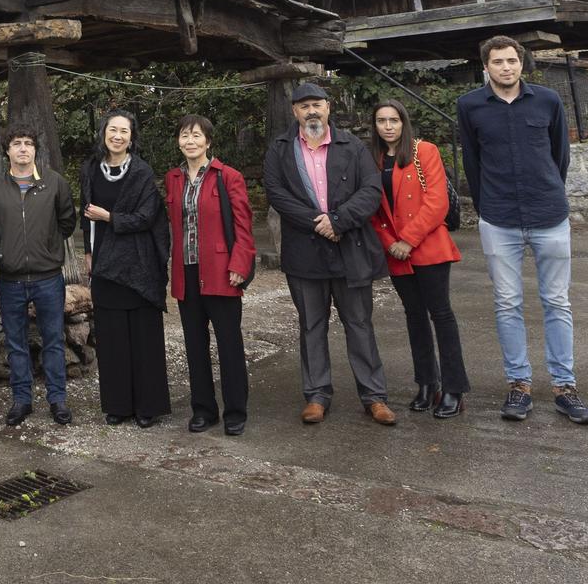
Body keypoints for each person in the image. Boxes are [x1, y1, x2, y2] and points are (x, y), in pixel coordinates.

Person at [456, 35, 588, 425]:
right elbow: (472, 160)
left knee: (557, 301)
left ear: (522, 63)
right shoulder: (469, 106)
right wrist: (487, 209)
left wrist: (548, 192)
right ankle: (518, 385)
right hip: (498, 219)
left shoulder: (548, 101)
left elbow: (559, 157)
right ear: (486, 66)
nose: (506, 67)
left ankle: (565, 388)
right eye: (498, 62)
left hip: (549, 215)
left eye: (512, 61)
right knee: (507, 303)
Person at [264, 82, 398, 427]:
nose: (311, 111)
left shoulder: (352, 146)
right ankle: (317, 395)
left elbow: (371, 190)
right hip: (305, 250)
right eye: (304, 105)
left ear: (328, 108)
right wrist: (317, 223)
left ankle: (374, 396)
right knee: (311, 325)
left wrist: (338, 221)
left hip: (348, 245)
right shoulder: (280, 149)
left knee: (359, 324)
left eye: (317, 105)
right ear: (295, 111)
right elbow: (276, 193)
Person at [368, 101, 470, 419]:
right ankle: (427, 383)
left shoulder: (423, 151)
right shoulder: (371, 159)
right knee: (414, 316)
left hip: (426, 245)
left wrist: (408, 240)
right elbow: (372, 208)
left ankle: (454, 388)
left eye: (394, 120)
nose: (388, 126)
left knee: (441, 315)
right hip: (396, 250)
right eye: (382, 121)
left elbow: (437, 201)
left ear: (404, 122)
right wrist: (391, 242)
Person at [165, 115, 255, 435]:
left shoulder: (227, 177)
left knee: (229, 343)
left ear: (208, 141)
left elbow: (244, 227)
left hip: (221, 271)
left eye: (196, 136)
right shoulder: (173, 178)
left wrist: (239, 266)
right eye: (185, 135)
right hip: (186, 272)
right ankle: (203, 409)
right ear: (179, 141)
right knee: (194, 344)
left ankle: (235, 411)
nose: (190, 141)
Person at [80, 109, 171, 427]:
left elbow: (147, 217)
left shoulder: (142, 171)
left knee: (143, 338)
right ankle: (117, 405)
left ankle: (148, 406)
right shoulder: (90, 168)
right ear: (104, 132)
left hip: (137, 264)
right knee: (113, 338)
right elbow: (85, 213)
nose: (117, 135)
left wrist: (109, 218)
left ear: (132, 138)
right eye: (112, 129)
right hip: (104, 264)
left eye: (124, 131)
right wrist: (89, 252)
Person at [0, 124, 77, 428]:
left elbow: (66, 223)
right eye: (16, 143)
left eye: (28, 143)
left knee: (53, 339)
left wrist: (47, 249)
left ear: (36, 149)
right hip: (9, 278)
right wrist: (1, 254)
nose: (23, 149)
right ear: (7, 150)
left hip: (47, 277)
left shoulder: (55, 184)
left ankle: (57, 400)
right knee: (16, 342)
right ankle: (21, 400)